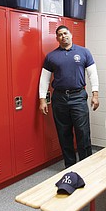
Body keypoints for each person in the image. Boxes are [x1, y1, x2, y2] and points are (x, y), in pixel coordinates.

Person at [39, 25, 99, 168]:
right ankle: (70, 166)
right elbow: (44, 79)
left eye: (65, 33)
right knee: (63, 134)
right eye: (59, 34)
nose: (63, 36)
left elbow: (93, 74)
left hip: (78, 97)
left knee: (82, 133)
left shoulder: (84, 52)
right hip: (59, 99)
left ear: (71, 35)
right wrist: (42, 100)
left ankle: (86, 166)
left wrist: (95, 94)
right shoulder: (51, 56)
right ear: (57, 38)